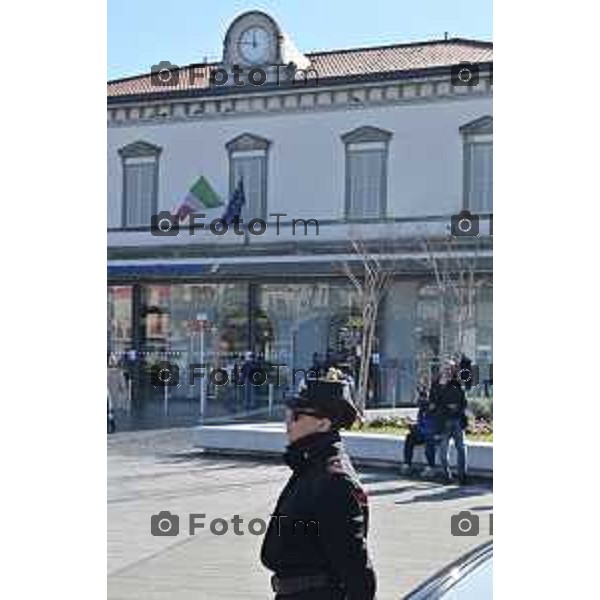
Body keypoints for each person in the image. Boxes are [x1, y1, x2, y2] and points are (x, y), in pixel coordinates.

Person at [261, 368, 377, 600]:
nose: (288, 421)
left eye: (297, 415)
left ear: (324, 424)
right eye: (289, 413)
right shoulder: (311, 465)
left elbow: (357, 570)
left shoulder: (334, 480)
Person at [430, 361, 469, 485]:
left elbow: (464, 402)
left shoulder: (458, 383)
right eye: (446, 368)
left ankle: (462, 476)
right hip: (443, 422)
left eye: (450, 368)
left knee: (461, 448)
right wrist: (445, 406)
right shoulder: (436, 385)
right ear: (442, 370)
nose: (448, 371)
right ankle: (447, 475)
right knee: (443, 451)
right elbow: (433, 403)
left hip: (457, 420)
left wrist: (457, 408)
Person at [402, 384, 437, 475]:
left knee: (429, 439)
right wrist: (413, 426)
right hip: (423, 433)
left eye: (423, 398)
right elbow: (421, 423)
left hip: (432, 435)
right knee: (409, 437)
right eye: (420, 398)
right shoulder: (422, 410)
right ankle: (407, 464)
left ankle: (431, 467)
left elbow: (434, 426)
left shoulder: (435, 410)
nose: (420, 401)